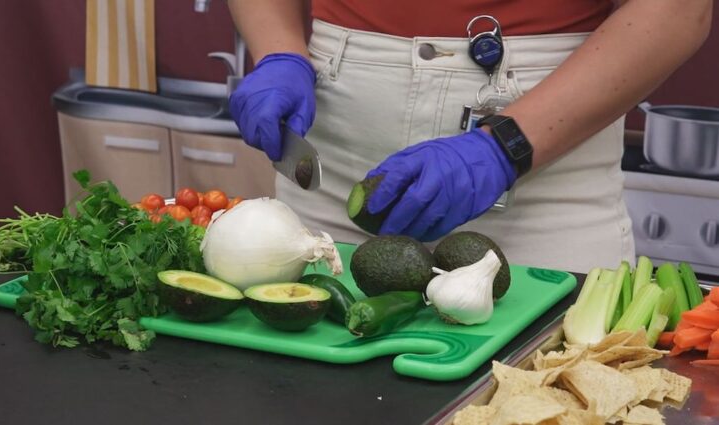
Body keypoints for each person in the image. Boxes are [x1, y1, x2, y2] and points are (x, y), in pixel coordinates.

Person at [226, 0, 712, 273]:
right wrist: (279, 52)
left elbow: (677, 9)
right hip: (331, 170)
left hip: (548, 192)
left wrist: (505, 147)